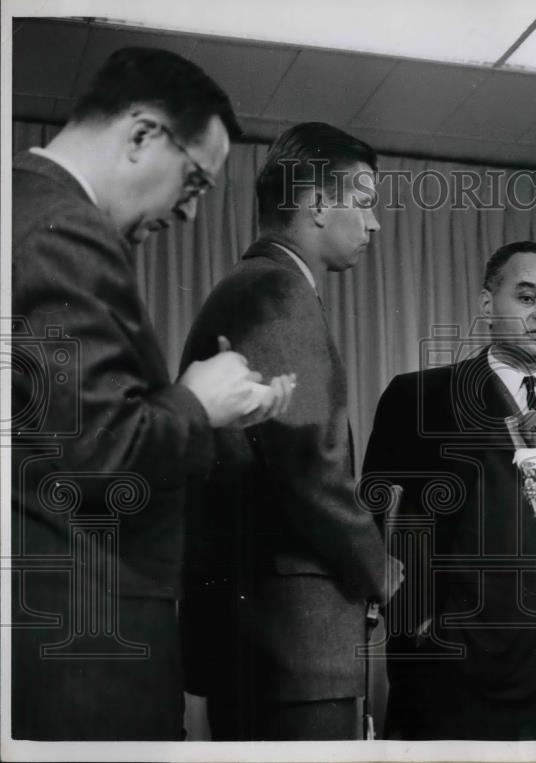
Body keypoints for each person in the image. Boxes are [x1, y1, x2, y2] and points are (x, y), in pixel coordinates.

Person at [10, 47, 293, 741]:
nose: (192, 214)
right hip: (87, 648)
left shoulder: (19, 204)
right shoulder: (69, 233)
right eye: (194, 182)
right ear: (141, 134)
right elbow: (102, 454)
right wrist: (197, 400)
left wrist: (209, 404)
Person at [178, 122, 400, 740]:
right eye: (364, 200)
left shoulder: (250, 286)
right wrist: (382, 569)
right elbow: (311, 463)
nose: (374, 224)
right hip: (292, 646)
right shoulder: (280, 292)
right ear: (318, 203)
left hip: (259, 639)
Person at [362, 241, 536, 740]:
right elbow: (370, 515)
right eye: (526, 297)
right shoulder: (422, 397)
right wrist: (416, 624)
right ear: (486, 306)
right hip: (456, 672)